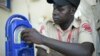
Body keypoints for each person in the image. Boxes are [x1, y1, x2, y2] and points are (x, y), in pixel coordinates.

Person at [21, 0, 95, 56]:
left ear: (72, 11)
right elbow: (40, 53)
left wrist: (42, 39)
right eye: (54, 7)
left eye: (60, 9)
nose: (54, 12)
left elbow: (86, 51)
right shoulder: (47, 25)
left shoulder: (82, 23)